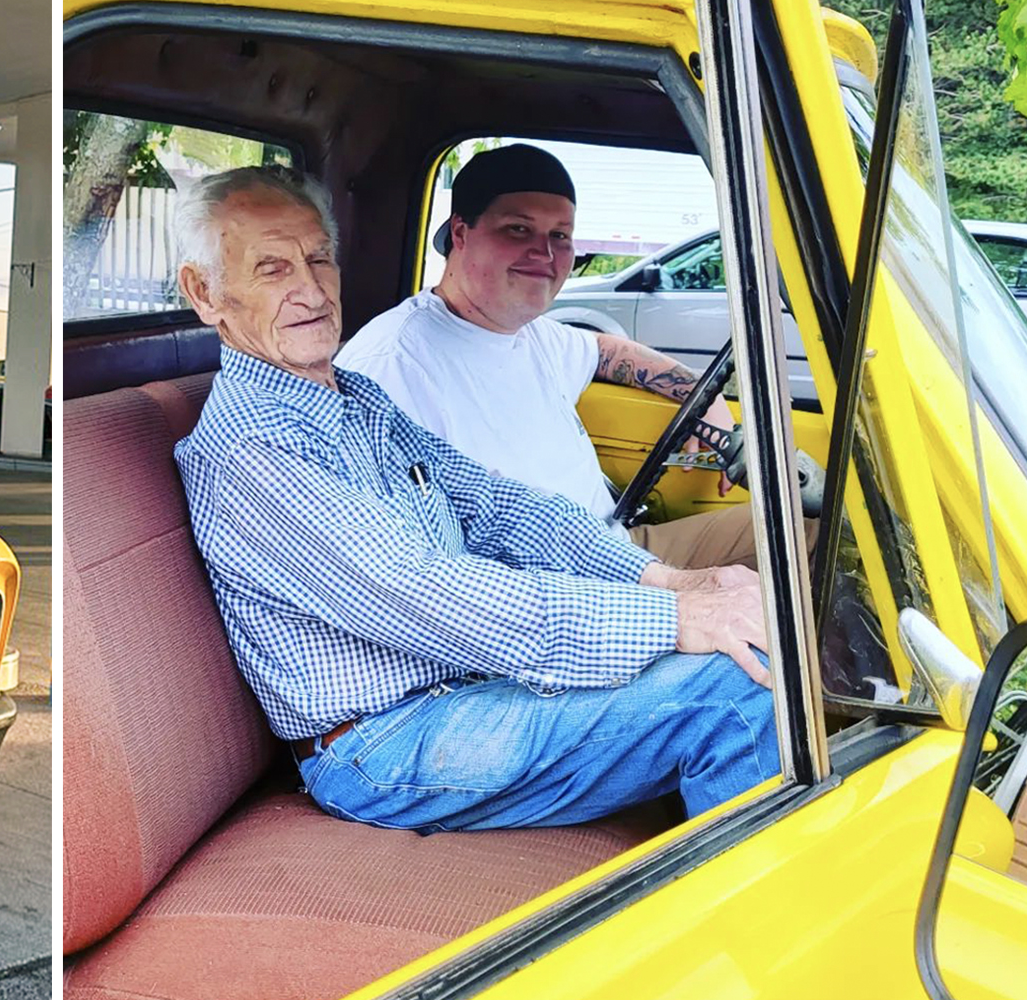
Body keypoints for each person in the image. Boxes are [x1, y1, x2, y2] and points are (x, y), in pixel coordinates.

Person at [171, 164, 779, 831]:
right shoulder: (251, 452)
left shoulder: (352, 398)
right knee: (735, 689)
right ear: (206, 294)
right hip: (386, 743)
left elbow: (499, 507)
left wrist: (663, 580)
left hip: (460, 689)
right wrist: (671, 620)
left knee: (747, 625)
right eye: (272, 269)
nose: (310, 289)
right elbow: (426, 591)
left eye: (319, 258)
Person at [336, 144, 763, 570]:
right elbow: (399, 561)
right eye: (518, 229)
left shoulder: (534, 334)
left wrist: (703, 398)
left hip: (620, 549)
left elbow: (606, 351)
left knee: (806, 538)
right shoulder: (389, 369)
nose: (544, 254)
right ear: (461, 233)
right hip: (550, 595)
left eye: (559, 235)